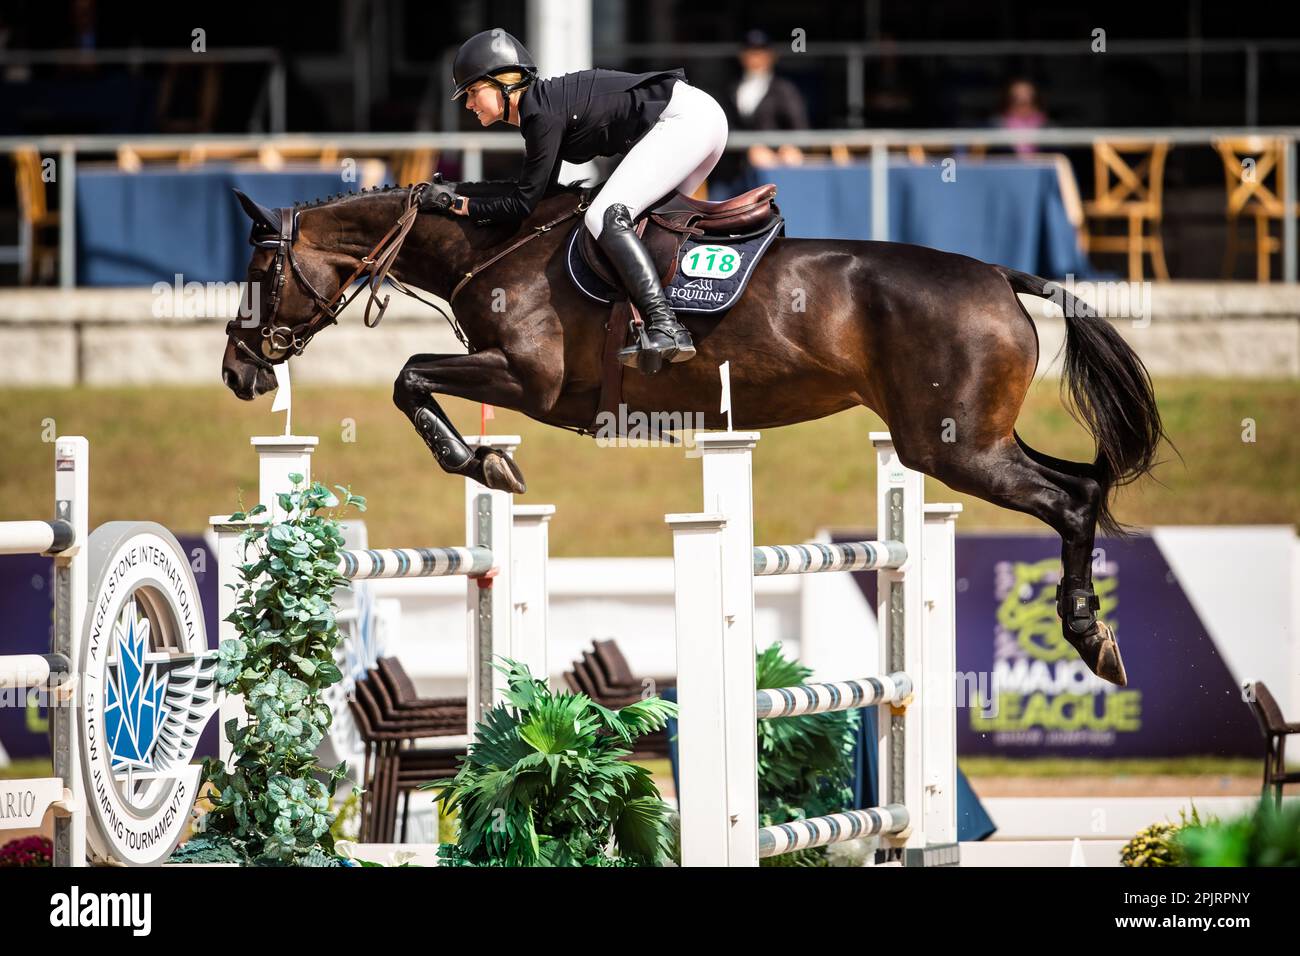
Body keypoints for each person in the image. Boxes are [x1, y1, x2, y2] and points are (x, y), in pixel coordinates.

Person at [424, 28, 732, 369]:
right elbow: (536, 196)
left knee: (603, 216)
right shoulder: (542, 108)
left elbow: (522, 205)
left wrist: (458, 203)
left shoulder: (541, 114)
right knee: (649, 225)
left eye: (472, 91)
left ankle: (665, 325)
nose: (468, 103)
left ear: (504, 83)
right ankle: (673, 319)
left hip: (687, 121)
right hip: (700, 118)